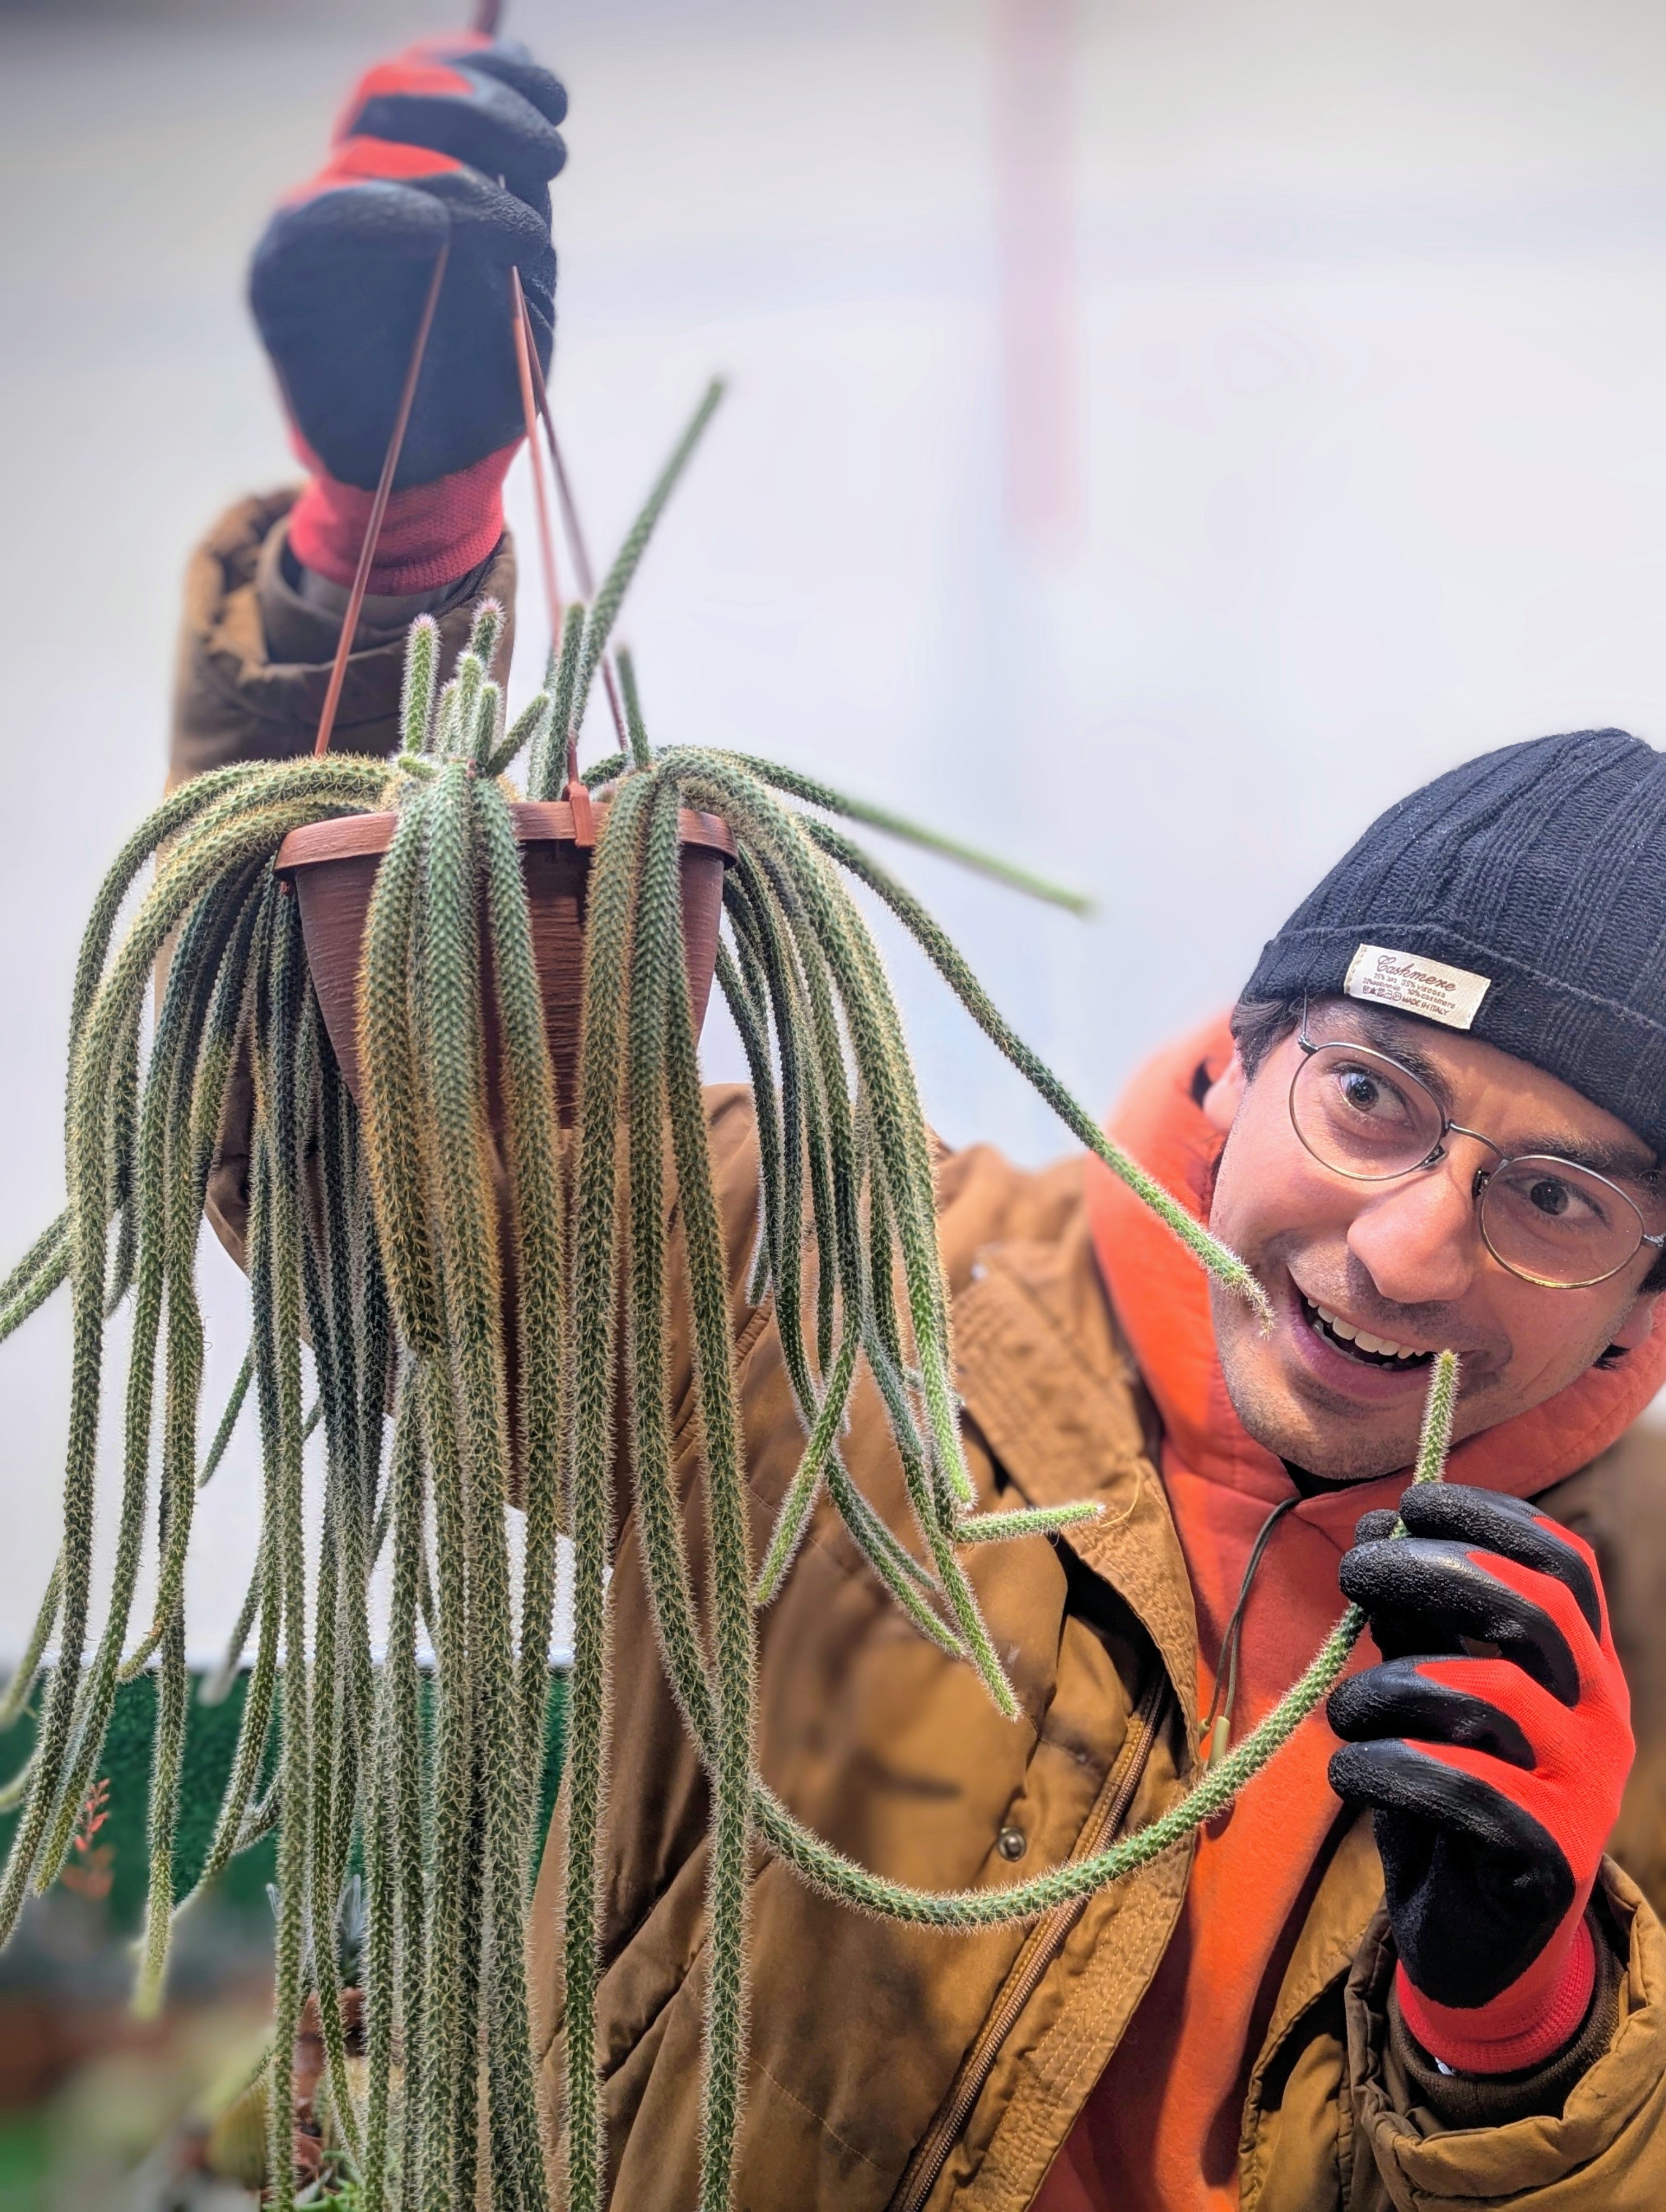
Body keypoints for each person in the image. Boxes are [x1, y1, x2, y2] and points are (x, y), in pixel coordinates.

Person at [172, 32, 1666, 2211]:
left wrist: (1528, 2038)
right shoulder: (848, 1294)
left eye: (1553, 1198)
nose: (1411, 1245)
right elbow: (367, 1139)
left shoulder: (1637, 1603)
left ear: (1650, 1283)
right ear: (1240, 1061)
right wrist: (388, 544)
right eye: (1371, 1098)